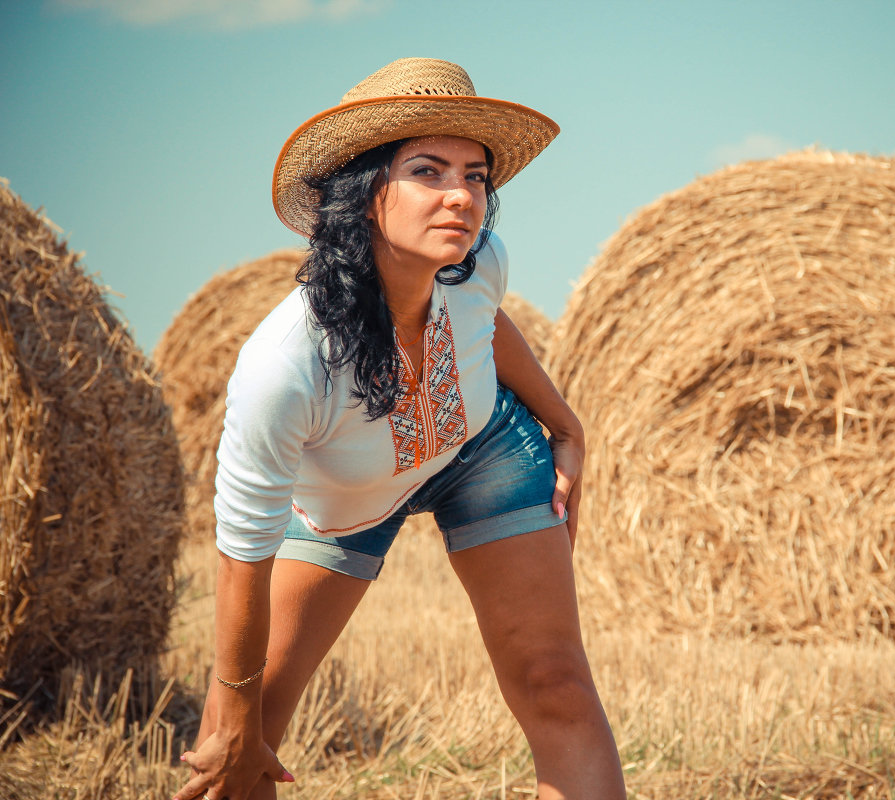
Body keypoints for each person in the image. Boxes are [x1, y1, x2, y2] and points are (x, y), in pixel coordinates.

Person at [174, 57, 626, 800]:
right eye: (429, 171)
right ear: (363, 191)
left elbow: (484, 326)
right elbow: (239, 561)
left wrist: (565, 422)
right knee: (243, 740)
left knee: (556, 683)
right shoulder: (285, 367)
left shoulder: (478, 262)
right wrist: (229, 711)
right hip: (345, 504)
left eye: (476, 176)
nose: (461, 197)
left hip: (482, 451)